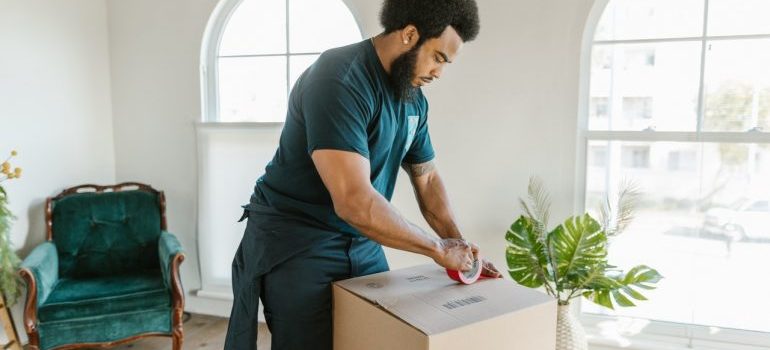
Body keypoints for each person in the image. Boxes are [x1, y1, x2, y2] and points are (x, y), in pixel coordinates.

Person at [224, 1, 500, 349]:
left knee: (373, 336)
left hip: (361, 240)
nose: (439, 72)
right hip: (299, 240)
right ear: (410, 35)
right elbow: (354, 202)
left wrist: (461, 248)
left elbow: (427, 178)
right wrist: (437, 249)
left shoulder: (413, 99)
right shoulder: (338, 78)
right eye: (437, 57)